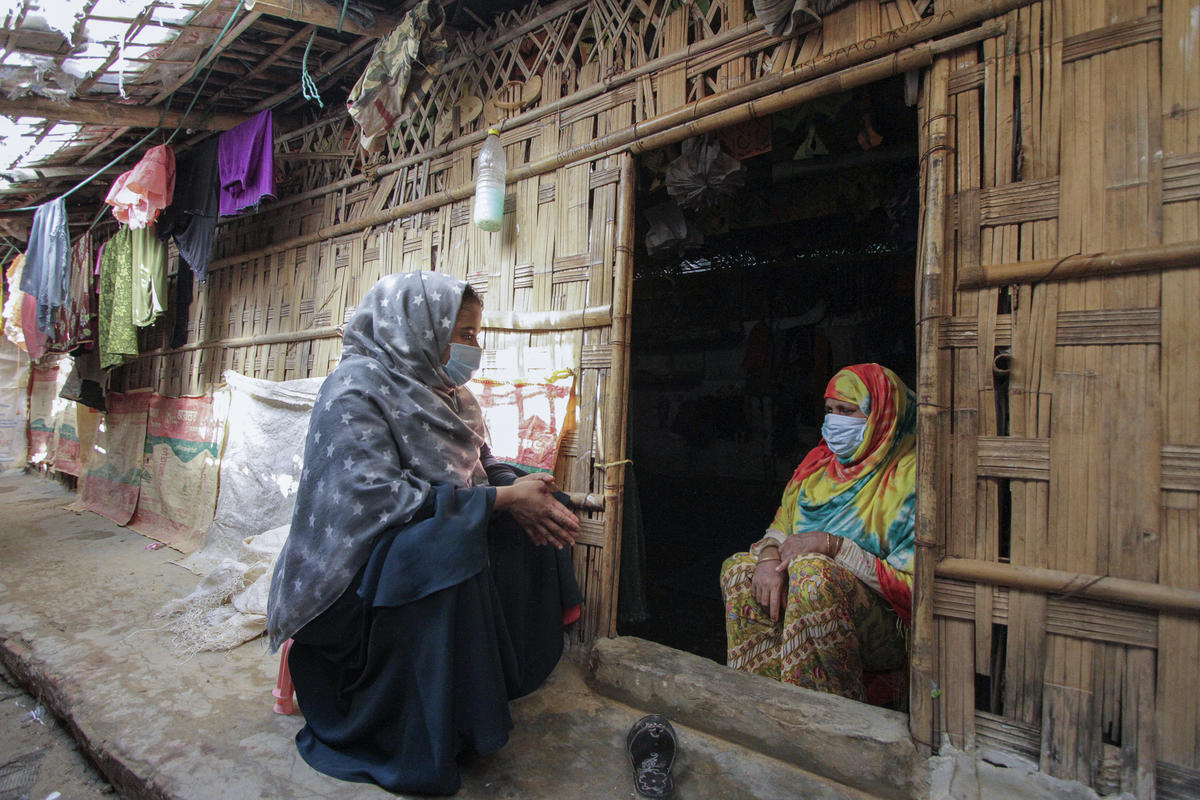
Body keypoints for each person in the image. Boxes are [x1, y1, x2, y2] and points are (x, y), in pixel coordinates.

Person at [266, 270, 583, 795]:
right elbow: (379, 498)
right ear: (418, 328)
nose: (474, 347)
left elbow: (481, 463)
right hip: (355, 573)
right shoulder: (353, 389)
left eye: (477, 333)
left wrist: (514, 485)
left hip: (425, 529)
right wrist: (502, 499)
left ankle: (488, 685)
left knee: (539, 512)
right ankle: (424, 724)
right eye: (465, 333)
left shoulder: (451, 396)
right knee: (446, 547)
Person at [719, 363, 915, 704]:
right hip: (803, 607)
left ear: (881, 415)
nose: (835, 421)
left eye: (847, 411)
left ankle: (822, 710)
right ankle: (758, 700)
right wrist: (768, 557)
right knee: (739, 571)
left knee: (812, 573)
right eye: (829, 410)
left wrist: (832, 546)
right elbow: (780, 529)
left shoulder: (909, 478)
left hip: (885, 626)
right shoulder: (819, 464)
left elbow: (918, 588)